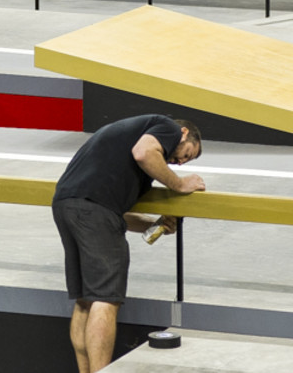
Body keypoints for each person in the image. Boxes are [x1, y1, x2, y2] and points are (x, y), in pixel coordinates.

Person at [52, 114, 204, 373]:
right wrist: (179, 184)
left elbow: (113, 214)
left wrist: (155, 226)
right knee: (105, 299)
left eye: (184, 162)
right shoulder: (165, 127)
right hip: (93, 210)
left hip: (67, 205)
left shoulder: (125, 144)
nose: (179, 162)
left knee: (85, 300)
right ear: (184, 133)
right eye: (186, 154)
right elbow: (144, 153)